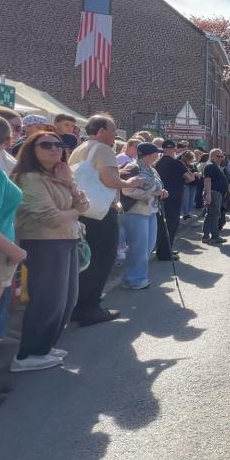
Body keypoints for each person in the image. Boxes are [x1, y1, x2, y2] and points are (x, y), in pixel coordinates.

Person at [10, 130, 89, 371]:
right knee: (48, 299)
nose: (55, 148)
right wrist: (75, 213)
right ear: (32, 150)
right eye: (46, 145)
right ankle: (28, 353)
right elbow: (50, 218)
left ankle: (45, 346)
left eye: (59, 144)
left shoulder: (59, 174)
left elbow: (84, 203)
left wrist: (69, 183)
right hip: (43, 242)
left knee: (67, 299)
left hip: (66, 239)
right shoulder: (29, 178)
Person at [68, 115, 142, 326]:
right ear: (101, 131)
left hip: (82, 210)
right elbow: (109, 179)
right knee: (102, 259)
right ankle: (89, 308)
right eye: (112, 130)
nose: (115, 135)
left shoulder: (79, 148)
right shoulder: (102, 149)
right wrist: (129, 181)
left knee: (86, 260)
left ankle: (78, 304)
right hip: (100, 212)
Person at [120, 143, 166, 290]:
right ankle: (135, 279)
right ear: (149, 155)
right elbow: (127, 190)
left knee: (148, 246)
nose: (159, 154)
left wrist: (162, 193)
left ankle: (132, 275)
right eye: (156, 153)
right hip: (136, 211)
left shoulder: (152, 169)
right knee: (139, 247)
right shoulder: (133, 167)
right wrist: (151, 194)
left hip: (151, 211)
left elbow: (157, 187)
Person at [154, 140, 192, 261]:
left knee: (162, 225)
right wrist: (182, 180)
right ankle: (165, 252)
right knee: (171, 225)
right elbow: (190, 177)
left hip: (161, 196)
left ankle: (163, 250)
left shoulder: (158, 163)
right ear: (175, 149)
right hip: (174, 197)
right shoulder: (177, 163)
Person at [202, 149, 229, 244]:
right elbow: (207, 181)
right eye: (218, 156)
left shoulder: (214, 165)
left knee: (213, 214)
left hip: (216, 193)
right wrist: (208, 194)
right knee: (213, 214)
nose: (220, 158)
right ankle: (212, 236)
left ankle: (211, 236)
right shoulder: (210, 166)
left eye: (222, 156)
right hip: (213, 193)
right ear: (212, 156)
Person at [180, 151, 198, 220]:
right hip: (186, 184)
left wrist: (197, 173)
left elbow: (194, 171)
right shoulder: (182, 164)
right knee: (186, 199)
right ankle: (185, 214)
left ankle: (188, 213)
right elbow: (184, 173)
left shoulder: (192, 165)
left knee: (191, 199)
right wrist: (195, 174)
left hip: (193, 184)